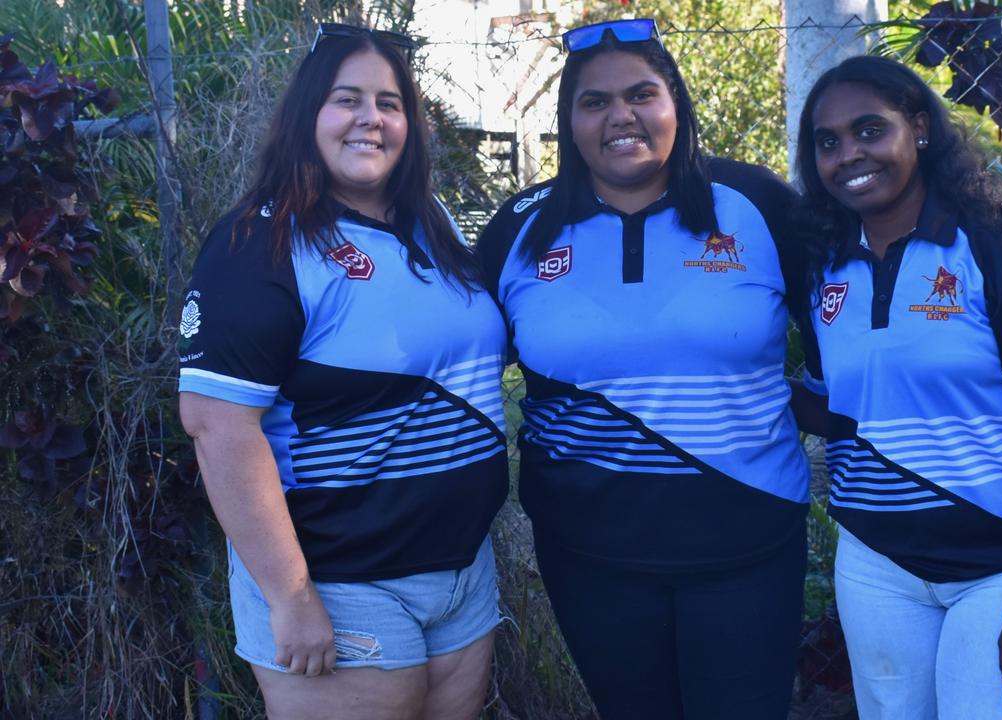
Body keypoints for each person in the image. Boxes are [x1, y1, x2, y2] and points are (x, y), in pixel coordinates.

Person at [477, 19, 811, 720]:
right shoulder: (521, 228)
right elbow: (459, 366)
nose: (620, 116)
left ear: (676, 104)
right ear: (569, 121)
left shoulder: (759, 206)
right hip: (587, 552)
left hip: (749, 542)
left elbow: (848, 332)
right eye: (594, 102)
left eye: (641, 94)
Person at [177, 24, 507, 720]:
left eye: (390, 103)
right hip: (339, 578)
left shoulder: (433, 222)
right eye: (346, 99)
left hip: (460, 573)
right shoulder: (259, 242)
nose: (371, 119)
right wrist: (291, 597)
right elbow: (216, 427)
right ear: (307, 116)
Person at [791, 55, 1002, 719]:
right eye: (828, 142)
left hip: (1000, 565)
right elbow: (839, 409)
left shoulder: (1000, 249)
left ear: (918, 127)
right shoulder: (823, 270)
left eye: (870, 130)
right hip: (877, 560)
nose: (848, 155)